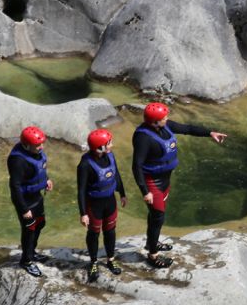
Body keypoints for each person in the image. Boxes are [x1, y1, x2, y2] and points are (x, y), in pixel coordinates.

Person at [131, 102, 227, 268]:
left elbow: (188, 129)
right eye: (163, 117)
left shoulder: (165, 126)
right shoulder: (143, 138)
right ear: (154, 122)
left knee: (155, 216)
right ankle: (153, 255)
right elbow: (136, 166)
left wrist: (209, 133)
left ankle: (151, 242)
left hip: (165, 180)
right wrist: (145, 191)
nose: (167, 119)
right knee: (158, 216)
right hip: (152, 182)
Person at [77, 128, 127, 282]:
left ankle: (110, 259)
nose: (112, 145)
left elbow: (116, 174)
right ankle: (93, 262)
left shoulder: (110, 156)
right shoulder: (85, 164)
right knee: (94, 234)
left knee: (110, 231)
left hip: (110, 201)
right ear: (100, 147)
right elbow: (81, 190)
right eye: (109, 143)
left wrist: (122, 193)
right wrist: (83, 213)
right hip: (94, 205)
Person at [8, 126, 54, 277]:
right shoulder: (18, 161)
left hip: (36, 196)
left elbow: (40, 169)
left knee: (40, 223)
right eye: (38, 145)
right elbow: (15, 187)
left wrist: (46, 180)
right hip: (25, 200)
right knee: (29, 229)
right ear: (27, 146)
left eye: (42, 144)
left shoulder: (35, 151)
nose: (42, 147)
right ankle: (26, 261)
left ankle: (32, 252)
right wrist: (23, 209)